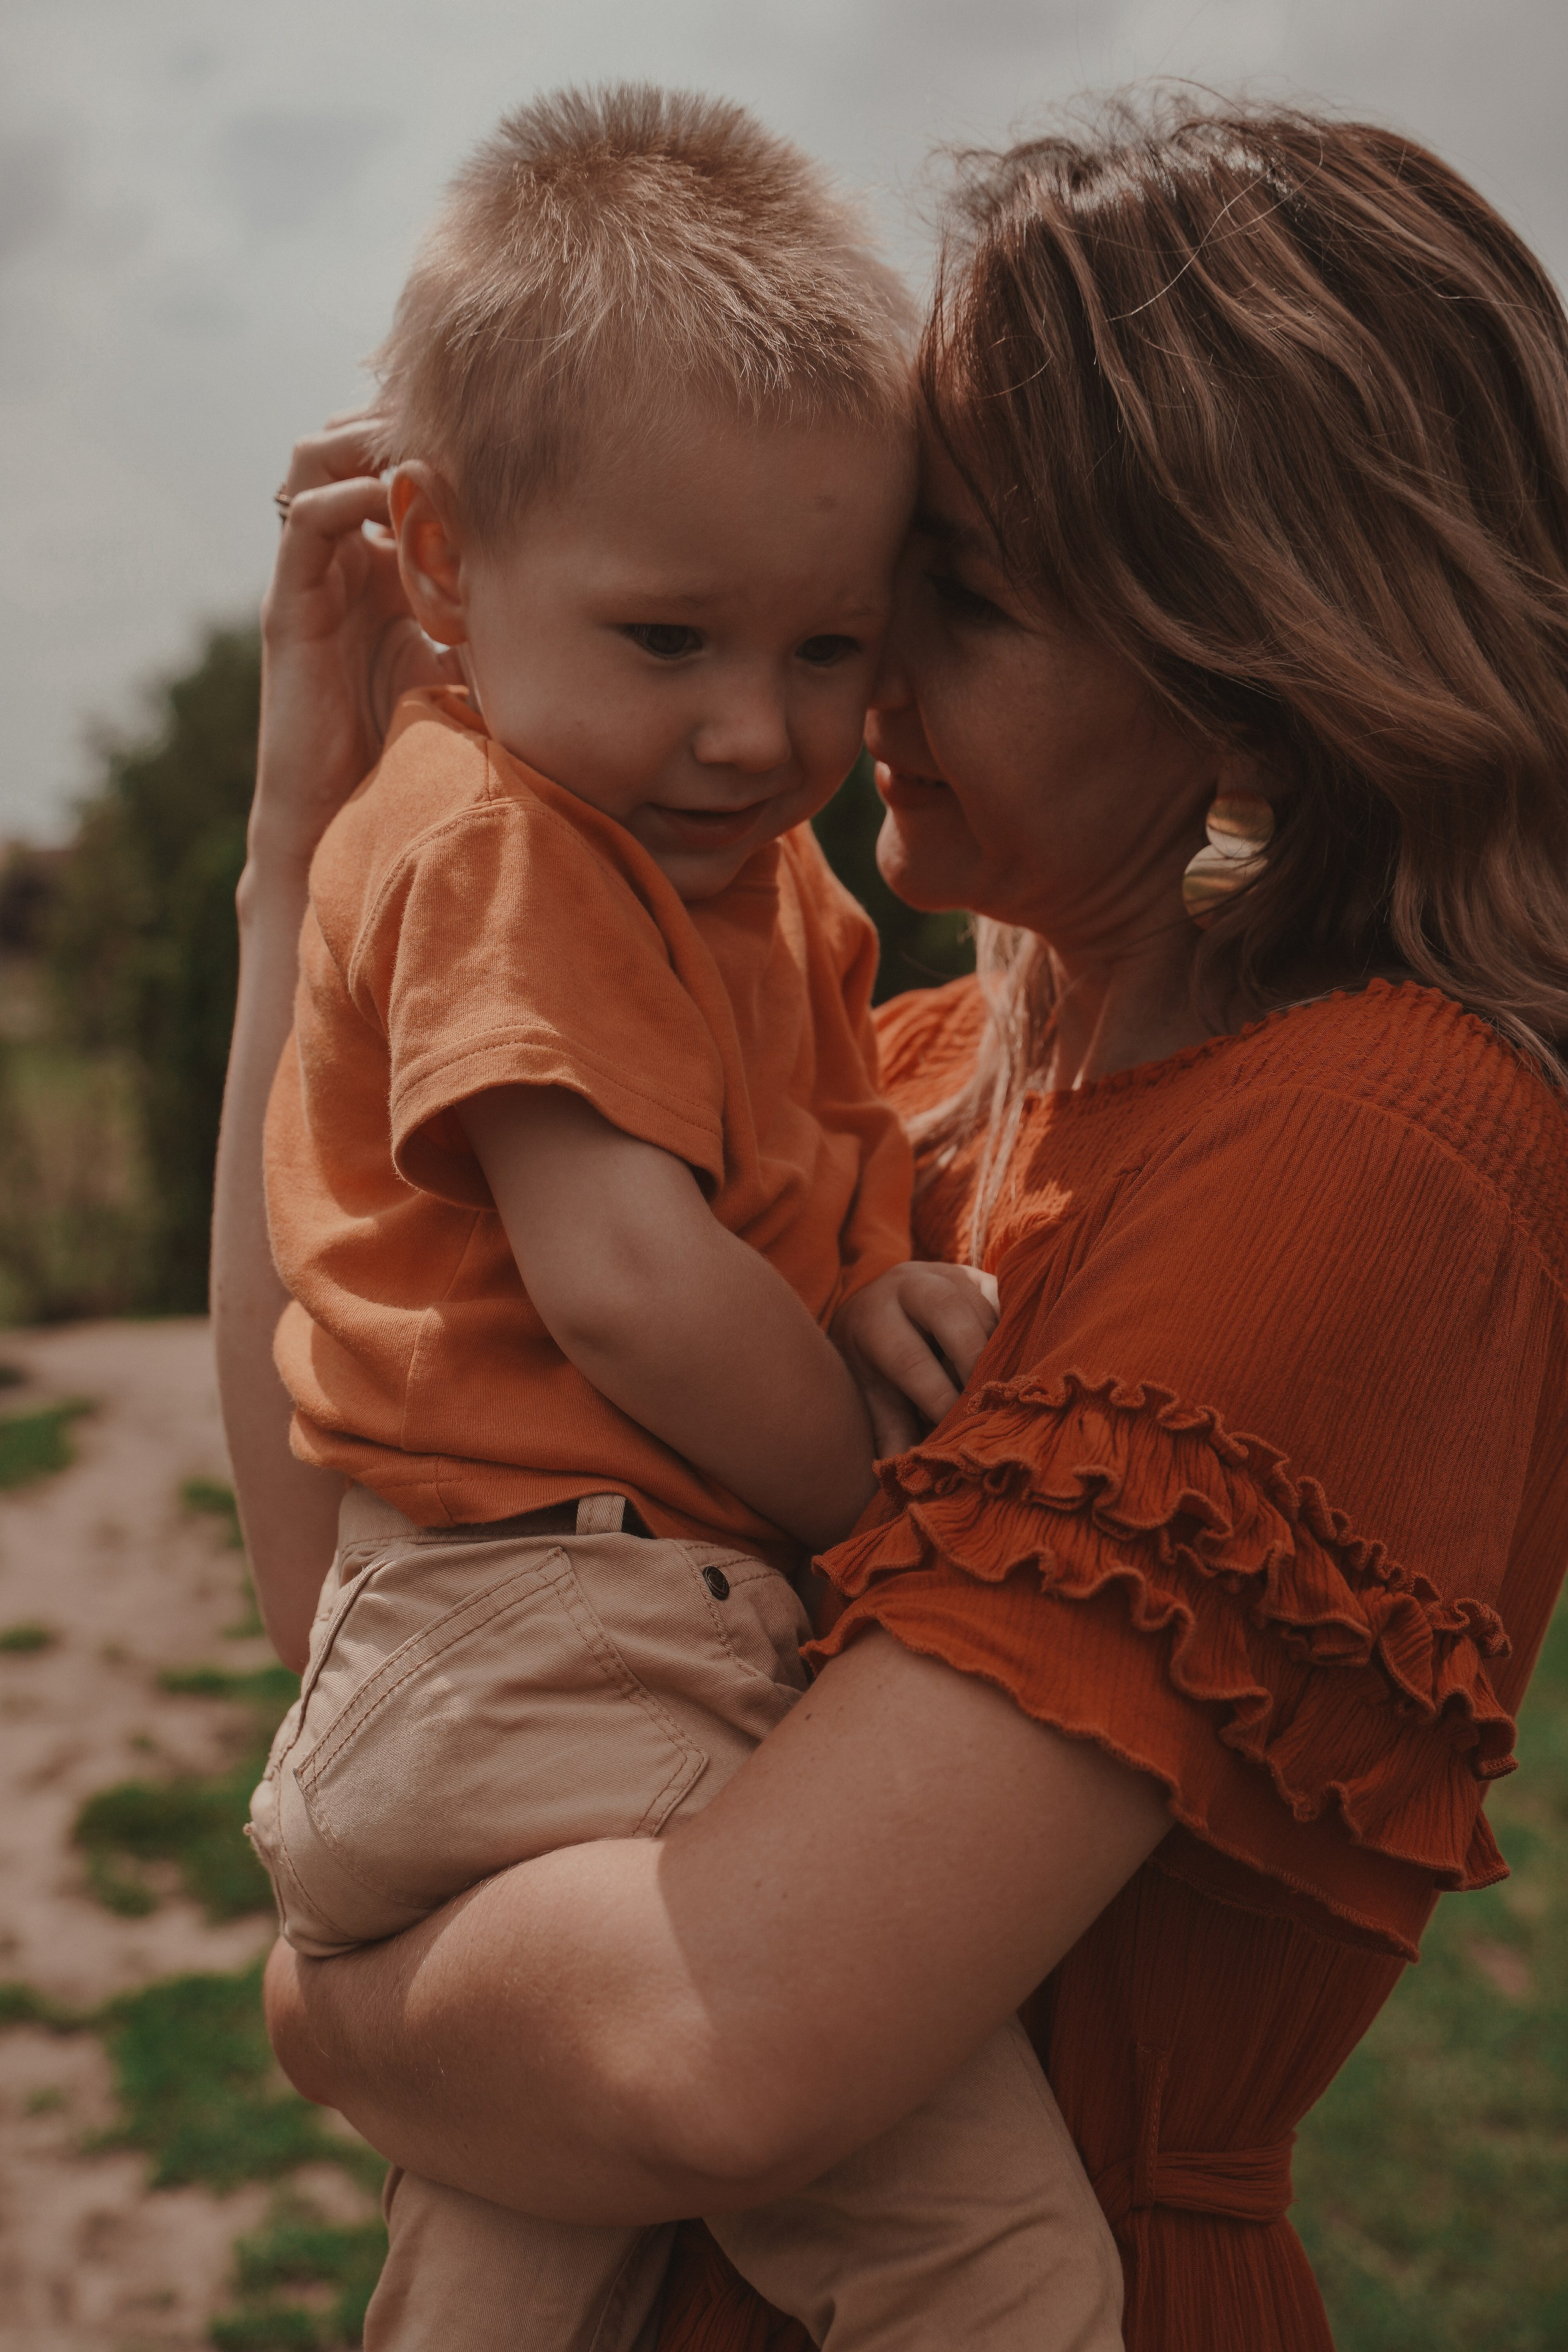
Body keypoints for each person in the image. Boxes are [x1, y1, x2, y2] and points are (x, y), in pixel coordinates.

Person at [219, 96, 1568, 2352]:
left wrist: (342, 2007)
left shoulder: (1372, 1151)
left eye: (948, 594)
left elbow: (708, 2055)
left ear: (1238, 666)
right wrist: (308, 846)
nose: (845, 689)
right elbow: (350, 1566)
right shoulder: (909, 1088)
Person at [244, 83, 1123, 2352]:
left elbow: (783, 1198)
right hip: (552, 1643)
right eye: (669, 643)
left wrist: (878, 1282)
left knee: (522, 2269)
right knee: (998, 2269)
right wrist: (873, 1514)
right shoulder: (503, 841)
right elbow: (630, 1280)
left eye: (830, 651)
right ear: (438, 565)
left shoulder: (753, 891)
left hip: (538, 1646)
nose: (758, 733)